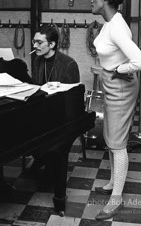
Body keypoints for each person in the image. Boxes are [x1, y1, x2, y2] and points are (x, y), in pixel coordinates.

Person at [90, 0, 141, 221]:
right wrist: (106, 69)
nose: (91, 0)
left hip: (121, 88)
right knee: (110, 136)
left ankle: (116, 199)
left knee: (117, 142)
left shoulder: (116, 26)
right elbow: (111, 54)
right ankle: (113, 182)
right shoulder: (110, 21)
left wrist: (116, 71)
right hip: (112, 83)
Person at [28, 24, 80, 215]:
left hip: (60, 118)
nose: (35, 45)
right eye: (34, 41)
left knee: (50, 143)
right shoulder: (37, 60)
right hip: (43, 113)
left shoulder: (69, 64)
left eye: (39, 42)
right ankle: (41, 157)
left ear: (52, 44)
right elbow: (36, 87)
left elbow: (73, 102)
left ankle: (59, 196)